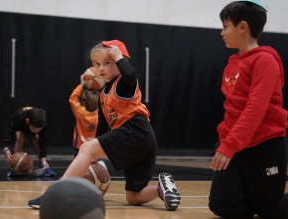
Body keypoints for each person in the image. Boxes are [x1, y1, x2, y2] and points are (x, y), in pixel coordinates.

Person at [28, 40, 181, 211]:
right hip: (141, 139)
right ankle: (162, 188)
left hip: (135, 130)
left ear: (119, 63)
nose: (100, 68)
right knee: (133, 196)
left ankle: (53, 195)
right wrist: (95, 154)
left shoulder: (123, 84)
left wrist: (118, 57)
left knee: (85, 148)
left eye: (106, 63)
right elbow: (102, 126)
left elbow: (131, 75)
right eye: (97, 64)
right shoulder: (102, 94)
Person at [208, 1, 288, 218]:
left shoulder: (265, 60)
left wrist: (229, 145)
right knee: (222, 207)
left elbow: (255, 108)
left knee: (272, 212)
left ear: (242, 27)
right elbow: (233, 109)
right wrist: (227, 143)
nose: (222, 32)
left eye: (225, 26)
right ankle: (260, 201)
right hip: (234, 147)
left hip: (266, 145)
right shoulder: (232, 63)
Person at [2, 106, 56, 177]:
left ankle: (42, 165)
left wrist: (44, 160)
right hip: (20, 127)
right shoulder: (19, 118)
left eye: (38, 130)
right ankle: (15, 165)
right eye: (34, 129)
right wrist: (6, 149)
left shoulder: (42, 123)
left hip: (31, 125)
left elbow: (43, 142)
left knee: (36, 138)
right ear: (28, 121)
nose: (36, 131)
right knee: (20, 137)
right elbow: (9, 132)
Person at [69, 71, 100, 157]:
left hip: (79, 146)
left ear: (84, 102)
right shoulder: (100, 114)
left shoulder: (80, 112)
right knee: (93, 169)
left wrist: (81, 85)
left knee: (80, 169)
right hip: (94, 147)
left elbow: (73, 99)